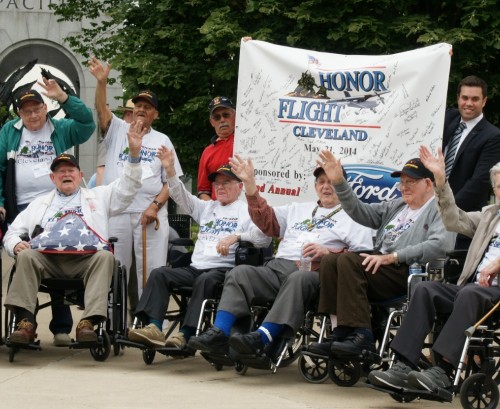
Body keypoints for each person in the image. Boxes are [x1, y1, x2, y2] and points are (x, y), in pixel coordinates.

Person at [367, 146, 500, 392]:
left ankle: (444, 370)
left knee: (471, 293)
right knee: (426, 289)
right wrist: (441, 182)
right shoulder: (491, 214)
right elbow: (453, 219)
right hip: (472, 288)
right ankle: (403, 365)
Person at [188, 155, 374, 355]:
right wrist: (250, 187)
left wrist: (329, 252)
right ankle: (220, 332)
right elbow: (266, 221)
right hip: (278, 267)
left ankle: (263, 336)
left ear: (342, 184)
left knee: (298, 278)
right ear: (315, 186)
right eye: (321, 182)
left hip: (315, 273)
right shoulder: (298, 209)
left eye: (331, 181)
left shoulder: (354, 215)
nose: (326, 186)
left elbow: (360, 258)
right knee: (239, 273)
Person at [3, 122, 144, 346]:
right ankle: (25, 323)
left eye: (70, 171)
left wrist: (134, 154)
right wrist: (15, 245)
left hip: (85, 260)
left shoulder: (98, 197)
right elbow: (12, 232)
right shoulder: (40, 204)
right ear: (52, 178)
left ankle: (87, 323)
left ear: (80, 175)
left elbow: (129, 187)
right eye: (61, 171)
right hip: (47, 259)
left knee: (106, 256)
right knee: (26, 255)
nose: (66, 174)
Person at [306, 150, 455, 356]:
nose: (403, 187)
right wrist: (339, 182)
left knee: (349, 260)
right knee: (331, 260)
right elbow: (361, 212)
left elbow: (440, 245)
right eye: (401, 182)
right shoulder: (398, 205)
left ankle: (361, 335)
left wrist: (394, 256)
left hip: (407, 271)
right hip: (381, 266)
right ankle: (340, 331)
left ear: (428, 184)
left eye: (409, 182)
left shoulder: (440, 208)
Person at [0, 82, 96, 347]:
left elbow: (87, 125)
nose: (32, 115)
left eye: (37, 109)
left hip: (57, 207)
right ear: (19, 114)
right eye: (26, 112)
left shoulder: (60, 128)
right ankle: (24, 323)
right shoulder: (11, 132)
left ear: (46, 108)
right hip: (20, 209)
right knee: (24, 261)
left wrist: (66, 99)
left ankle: (60, 327)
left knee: (56, 259)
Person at [127, 157, 270, 348]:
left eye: (226, 182)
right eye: (217, 183)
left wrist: (236, 236)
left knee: (205, 280)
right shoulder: (207, 207)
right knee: (159, 273)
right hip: (196, 268)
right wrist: (170, 171)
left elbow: (264, 237)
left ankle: (185, 334)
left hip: (223, 270)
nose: (220, 187)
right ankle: (154, 327)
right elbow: (180, 195)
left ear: (240, 186)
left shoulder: (246, 211)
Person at [88, 56, 183, 299]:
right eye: (138, 105)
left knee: (150, 272)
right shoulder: (118, 129)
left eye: (147, 107)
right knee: (113, 268)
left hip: (149, 215)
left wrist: (155, 206)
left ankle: (146, 323)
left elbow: (170, 183)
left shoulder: (163, 140)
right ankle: (110, 323)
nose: (141, 109)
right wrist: (102, 82)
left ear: (155, 114)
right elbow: (101, 109)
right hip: (117, 211)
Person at [442, 75, 500, 249]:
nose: (468, 103)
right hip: (430, 210)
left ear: (484, 101)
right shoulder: (449, 119)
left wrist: (446, 210)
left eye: (475, 99)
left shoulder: (493, 137)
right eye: (464, 98)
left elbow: (480, 182)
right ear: (458, 98)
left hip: (463, 217)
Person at [197, 96, 236, 201]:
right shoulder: (207, 152)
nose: (222, 120)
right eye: (217, 117)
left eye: (226, 115)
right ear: (211, 122)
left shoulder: (246, 141)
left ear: (235, 116)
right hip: (219, 210)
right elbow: (203, 191)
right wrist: (215, 212)